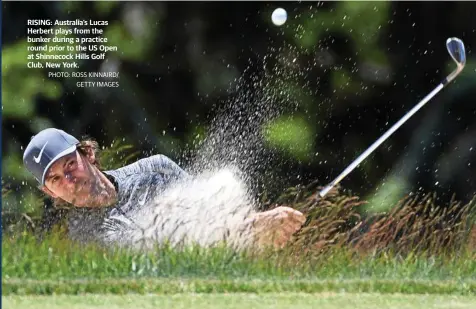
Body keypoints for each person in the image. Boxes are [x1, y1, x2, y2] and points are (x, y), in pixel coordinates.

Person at [23, 128, 306, 250]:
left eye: (71, 165)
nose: (70, 181)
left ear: (88, 154)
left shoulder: (156, 168)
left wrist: (255, 226)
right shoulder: (83, 239)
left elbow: (211, 217)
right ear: (51, 193)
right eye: (56, 180)